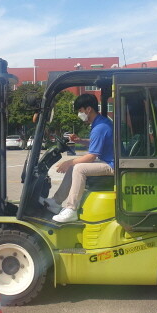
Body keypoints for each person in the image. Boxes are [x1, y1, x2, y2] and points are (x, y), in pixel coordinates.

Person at [42, 93, 114, 223]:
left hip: (112, 165)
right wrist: (80, 140)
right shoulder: (100, 123)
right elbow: (95, 143)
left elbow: (92, 156)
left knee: (79, 168)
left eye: (80, 111)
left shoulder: (100, 127)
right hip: (108, 160)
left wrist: (69, 162)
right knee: (74, 167)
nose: (79, 114)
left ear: (88, 109)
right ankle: (56, 202)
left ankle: (71, 209)